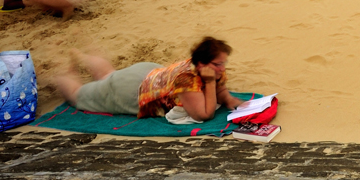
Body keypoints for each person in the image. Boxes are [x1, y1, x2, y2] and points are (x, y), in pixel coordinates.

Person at [53, 37, 242, 122]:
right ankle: (57, 75)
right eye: (218, 64)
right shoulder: (187, 80)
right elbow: (204, 114)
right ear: (202, 64)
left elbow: (220, 89)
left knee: (108, 76)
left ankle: (84, 57)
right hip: (130, 90)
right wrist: (209, 83)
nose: (222, 68)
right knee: (79, 95)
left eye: (223, 63)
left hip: (147, 72)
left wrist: (229, 99)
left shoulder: (211, 67)